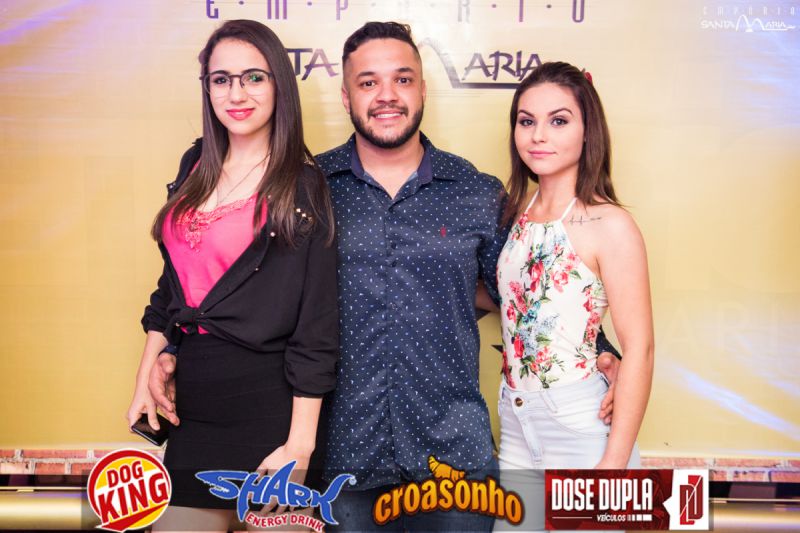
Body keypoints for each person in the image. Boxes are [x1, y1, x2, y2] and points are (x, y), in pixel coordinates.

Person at [150, 22, 621, 532]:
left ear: (422, 89)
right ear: (346, 96)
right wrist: (173, 348)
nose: (387, 95)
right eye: (368, 82)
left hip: (454, 460)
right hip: (343, 460)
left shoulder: (475, 192)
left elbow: (523, 292)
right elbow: (241, 283)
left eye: (402, 79)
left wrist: (599, 350)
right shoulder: (306, 188)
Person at [125, 19, 338, 531]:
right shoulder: (195, 163)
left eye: (253, 78)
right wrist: (145, 375)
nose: (236, 94)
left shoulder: (302, 186)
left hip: (272, 412)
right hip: (196, 409)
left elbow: (315, 329)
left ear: (279, 85)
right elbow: (171, 287)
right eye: (221, 80)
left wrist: (299, 447)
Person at [495, 61, 654, 531]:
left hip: (580, 424)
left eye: (559, 121)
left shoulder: (610, 224)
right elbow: (524, 302)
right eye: (527, 121)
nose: (539, 135)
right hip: (516, 422)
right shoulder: (515, 213)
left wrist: (613, 466)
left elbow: (641, 348)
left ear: (588, 132)